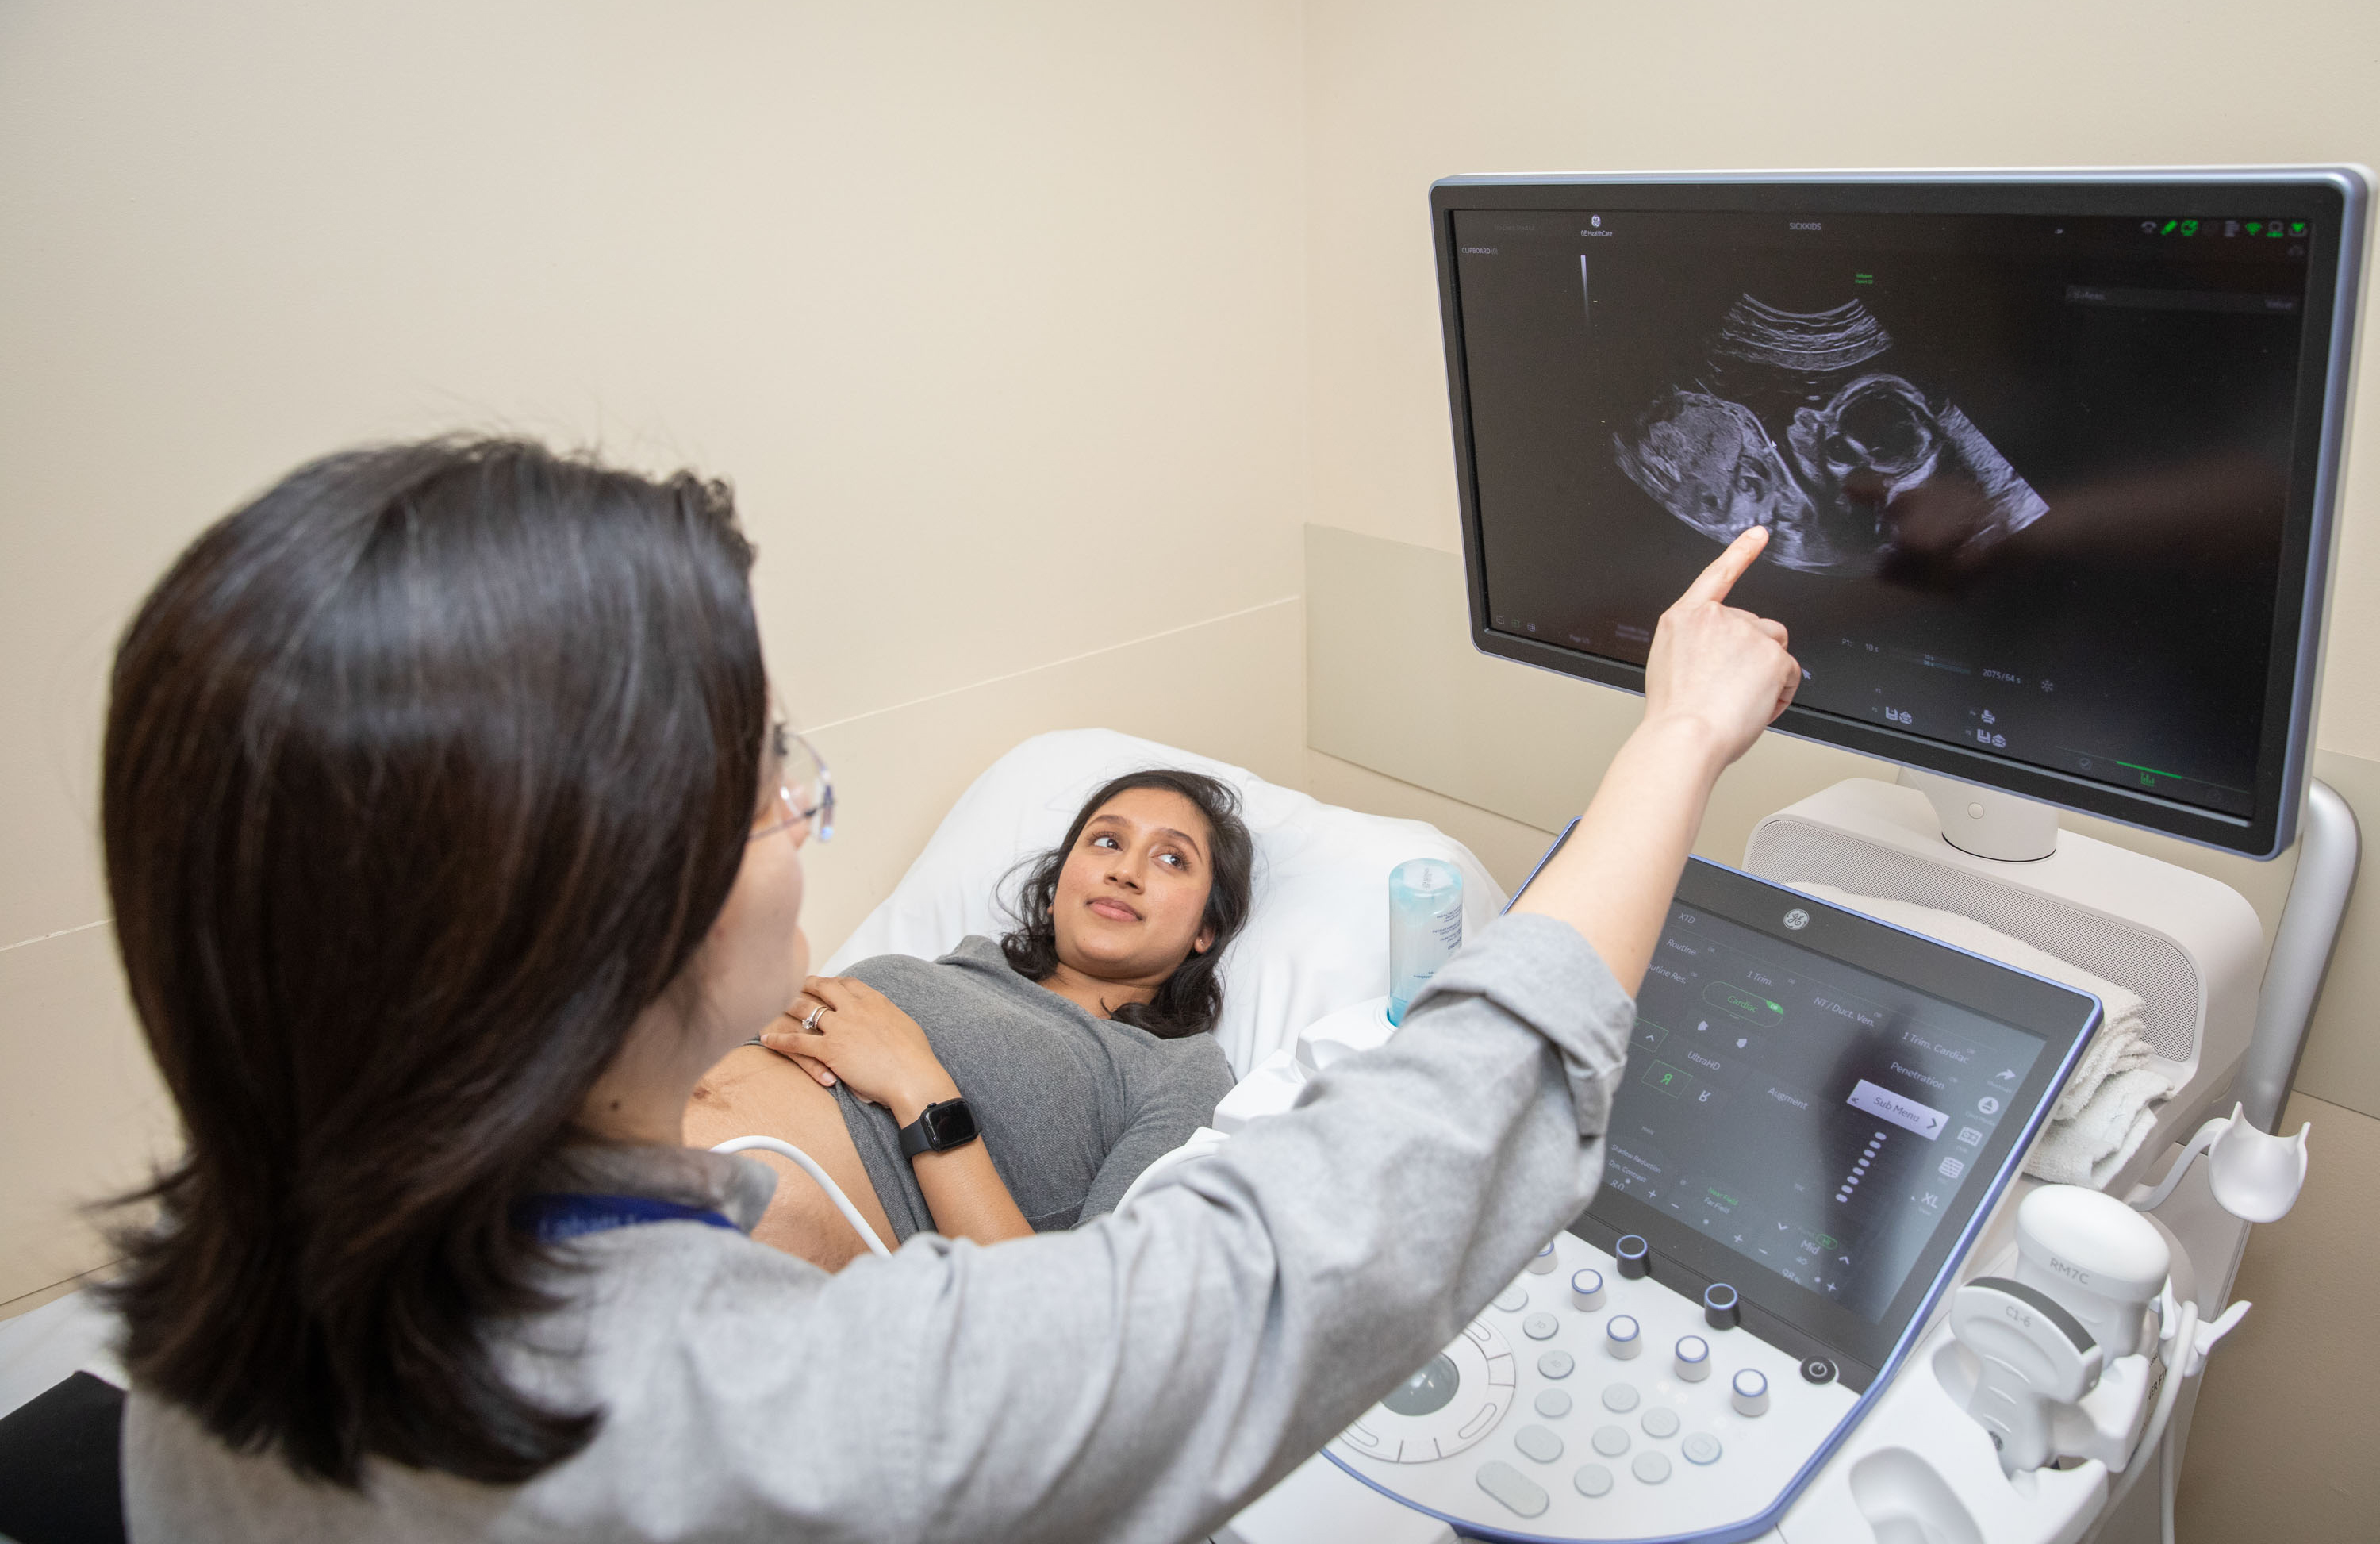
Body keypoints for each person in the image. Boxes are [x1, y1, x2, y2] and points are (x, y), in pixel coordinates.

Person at [95, 436, 1798, 1542]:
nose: (802, 807)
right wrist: (1677, 744)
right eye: (760, 771)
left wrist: (925, 1094)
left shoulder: (208, 1336)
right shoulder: (772, 1417)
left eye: (1174, 859)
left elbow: (1144, 1252)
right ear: (600, 921)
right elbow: (1289, 1276)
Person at [684, 770, 1249, 1265]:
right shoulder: (962, 965)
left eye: (1172, 858)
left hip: (717, 1249)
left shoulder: (1180, 1071)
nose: (1125, 870)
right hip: (626, 1143)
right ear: (1056, 890)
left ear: (1206, 930)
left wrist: (918, 1087)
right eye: (1106, 841)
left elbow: (1071, 1318)